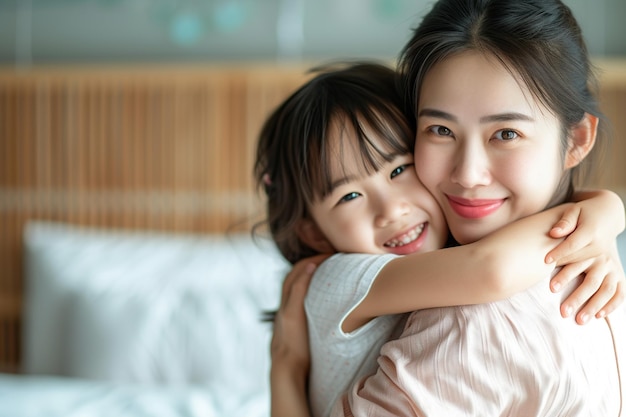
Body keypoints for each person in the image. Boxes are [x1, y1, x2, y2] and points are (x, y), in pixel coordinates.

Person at [254, 63, 626, 417]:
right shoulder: (336, 280)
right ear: (313, 232)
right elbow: (489, 268)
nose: (391, 210)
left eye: (399, 169)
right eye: (349, 196)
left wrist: (602, 209)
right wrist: (600, 218)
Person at [330, 0, 626, 415]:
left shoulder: (466, 328)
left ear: (576, 139)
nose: (468, 174)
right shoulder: (598, 271)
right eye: (440, 129)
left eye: (505, 133)